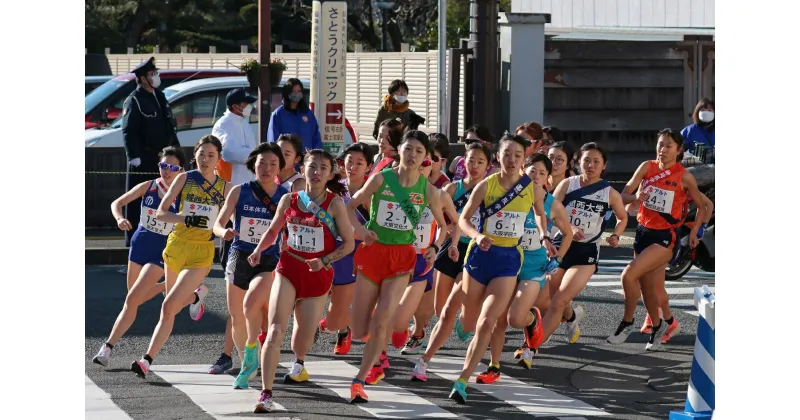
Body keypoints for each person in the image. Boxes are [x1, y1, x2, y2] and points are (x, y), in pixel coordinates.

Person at [446, 133, 552, 404]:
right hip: (479, 258)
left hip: (508, 261)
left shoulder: (531, 187)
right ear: (498, 157)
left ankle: (462, 380)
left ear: (524, 158)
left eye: (518, 155)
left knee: (487, 321)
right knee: (468, 321)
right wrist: (477, 235)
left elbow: (540, 213)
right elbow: (463, 220)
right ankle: (465, 322)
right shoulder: (486, 185)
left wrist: (544, 235)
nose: (513, 159)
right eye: (507, 154)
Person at [345, 130, 449, 404]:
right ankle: (375, 346)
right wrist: (360, 230)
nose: (413, 155)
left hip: (402, 258)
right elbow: (350, 206)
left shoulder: (428, 190)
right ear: (399, 151)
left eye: (419, 151)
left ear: (425, 157)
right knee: (359, 330)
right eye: (408, 149)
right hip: (373, 254)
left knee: (382, 321)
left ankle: (360, 379)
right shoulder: (381, 179)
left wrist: (435, 248)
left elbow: (444, 228)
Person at [248, 150, 355, 413]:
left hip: (318, 274)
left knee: (301, 340)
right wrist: (259, 250)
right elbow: (274, 229)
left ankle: (300, 359)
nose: (316, 172)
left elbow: (349, 243)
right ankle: (266, 393)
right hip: (288, 268)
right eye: (312, 166)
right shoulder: (289, 199)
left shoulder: (335, 204)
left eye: (323, 168)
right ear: (302, 168)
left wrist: (326, 261)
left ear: (331, 174)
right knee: (274, 331)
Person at [129, 136, 229, 378]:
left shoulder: (226, 188)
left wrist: (226, 231)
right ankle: (196, 295)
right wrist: (186, 219)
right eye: (201, 154)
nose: (205, 160)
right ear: (195, 155)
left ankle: (146, 359)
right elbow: (162, 212)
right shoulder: (185, 178)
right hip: (176, 247)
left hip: (201, 253)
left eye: (211, 155)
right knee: (169, 306)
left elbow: (228, 220)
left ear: (218, 159)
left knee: (168, 304)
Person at [607, 129, 711, 350]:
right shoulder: (647, 167)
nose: (662, 150)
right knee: (649, 289)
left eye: (669, 146)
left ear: (679, 150)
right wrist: (634, 198)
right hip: (643, 232)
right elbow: (622, 194)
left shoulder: (684, 176)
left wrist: (695, 232)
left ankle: (627, 322)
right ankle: (659, 326)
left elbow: (704, 207)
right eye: (660, 145)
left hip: (666, 236)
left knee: (628, 275)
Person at [478, 153, 573, 384]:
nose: (537, 177)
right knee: (498, 318)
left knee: (515, 318)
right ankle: (494, 366)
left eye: (542, 173)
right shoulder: (509, 196)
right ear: (523, 171)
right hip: (508, 261)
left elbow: (568, 233)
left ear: (548, 178)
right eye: (532, 171)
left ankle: (531, 320)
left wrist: (558, 258)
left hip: (534, 266)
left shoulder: (552, 204)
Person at [92, 147, 186, 367]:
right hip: (140, 242)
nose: (167, 171)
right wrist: (119, 219)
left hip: (162, 250)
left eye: (173, 167)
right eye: (164, 166)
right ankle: (176, 289)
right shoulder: (149, 186)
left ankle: (107, 348)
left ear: (181, 170)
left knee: (133, 299)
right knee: (133, 298)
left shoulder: (181, 193)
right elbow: (117, 203)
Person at [534, 143, 627, 357]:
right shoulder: (568, 184)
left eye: (596, 161)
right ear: (578, 162)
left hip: (586, 253)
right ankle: (573, 316)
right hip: (560, 247)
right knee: (553, 299)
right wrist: (568, 227)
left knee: (558, 301)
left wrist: (615, 235)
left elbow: (622, 217)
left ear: (604, 166)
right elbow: (550, 214)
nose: (591, 165)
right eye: (586, 160)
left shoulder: (609, 193)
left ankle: (532, 346)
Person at [407, 142, 493, 373]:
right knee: (440, 309)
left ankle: (467, 319)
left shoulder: (489, 190)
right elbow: (437, 214)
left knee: (458, 306)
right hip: (449, 247)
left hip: (476, 250)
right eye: (470, 160)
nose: (474, 166)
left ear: (488, 165)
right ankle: (458, 319)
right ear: (463, 161)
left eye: (480, 162)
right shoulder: (453, 189)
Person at [212, 143, 289, 389]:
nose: (266, 168)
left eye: (273, 164)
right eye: (262, 163)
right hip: (239, 256)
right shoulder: (239, 191)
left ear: (279, 167)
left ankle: (252, 353)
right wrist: (224, 231)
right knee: (236, 318)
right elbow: (218, 223)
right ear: (253, 164)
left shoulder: (285, 196)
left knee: (250, 304)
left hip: (269, 260)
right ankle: (249, 359)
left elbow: (292, 230)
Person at [389, 151, 461, 359]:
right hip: (393, 256)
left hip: (423, 259)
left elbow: (455, 223)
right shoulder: (391, 189)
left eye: (427, 162)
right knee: (389, 311)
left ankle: (418, 331)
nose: (421, 165)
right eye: (418, 159)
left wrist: (446, 245)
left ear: (433, 167)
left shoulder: (438, 195)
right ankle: (379, 358)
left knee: (421, 309)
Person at [209, 87, 259, 374]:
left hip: (252, 194)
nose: (250, 107)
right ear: (237, 105)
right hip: (235, 195)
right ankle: (233, 352)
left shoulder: (244, 123)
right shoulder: (224, 124)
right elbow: (227, 151)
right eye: (247, 103)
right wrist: (253, 154)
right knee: (237, 281)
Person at [318, 143, 375, 355]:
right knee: (332, 306)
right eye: (349, 161)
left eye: (359, 163)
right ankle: (345, 327)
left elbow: (376, 226)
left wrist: (360, 234)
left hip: (361, 252)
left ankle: (350, 325)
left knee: (349, 302)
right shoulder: (332, 187)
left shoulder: (373, 191)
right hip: (334, 249)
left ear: (369, 167)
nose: (352, 167)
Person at [121, 57, 181, 246]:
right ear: (142, 78)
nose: (156, 77)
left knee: (164, 199)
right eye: (152, 74)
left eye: (156, 73)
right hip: (144, 158)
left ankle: (163, 242)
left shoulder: (160, 96)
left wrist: (177, 153)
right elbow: (128, 130)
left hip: (164, 159)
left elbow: (170, 127)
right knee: (138, 202)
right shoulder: (134, 100)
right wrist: (134, 156)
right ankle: (133, 244)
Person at [267, 78, 322, 150]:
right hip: (286, 158)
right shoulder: (278, 114)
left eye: (299, 91)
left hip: (306, 158)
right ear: (287, 93)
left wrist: (315, 155)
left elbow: (316, 138)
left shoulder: (308, 114)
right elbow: (273, 139)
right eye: (293, 91)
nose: (296, 94)